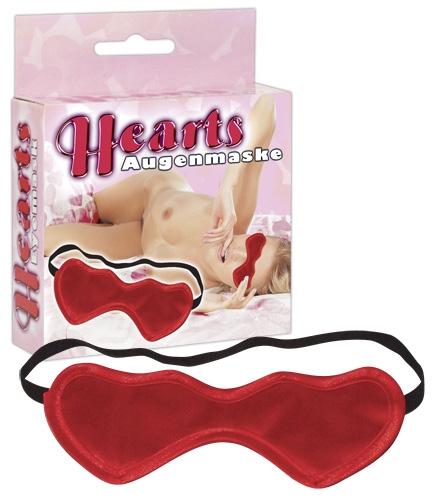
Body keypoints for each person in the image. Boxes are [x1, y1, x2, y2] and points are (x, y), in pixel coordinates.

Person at [45, 95, 291, 313]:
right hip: (149, 192)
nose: (237, 253)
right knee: (89, 206)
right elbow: (266, 106)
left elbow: (154, 306)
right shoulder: (235, 213)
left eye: (245, 270)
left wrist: (208, 305)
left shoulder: (193, 286)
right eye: (253, 244)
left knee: (45, 240)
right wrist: (228, 184)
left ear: (242, 289)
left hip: (136, 240)